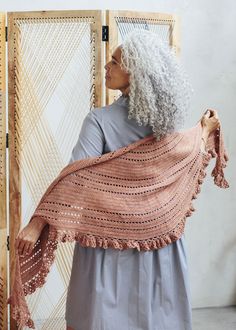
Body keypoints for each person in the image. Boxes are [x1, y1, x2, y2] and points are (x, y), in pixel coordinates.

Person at [15, 30, 220, 330]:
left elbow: (75, 177)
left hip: (108, 248)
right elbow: (80, 177)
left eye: (114, 62)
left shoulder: (99, 120)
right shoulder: (167, 123)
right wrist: (203, 130)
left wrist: (37, 224)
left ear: (136, 72)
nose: (106, 67)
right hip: (159, 247)